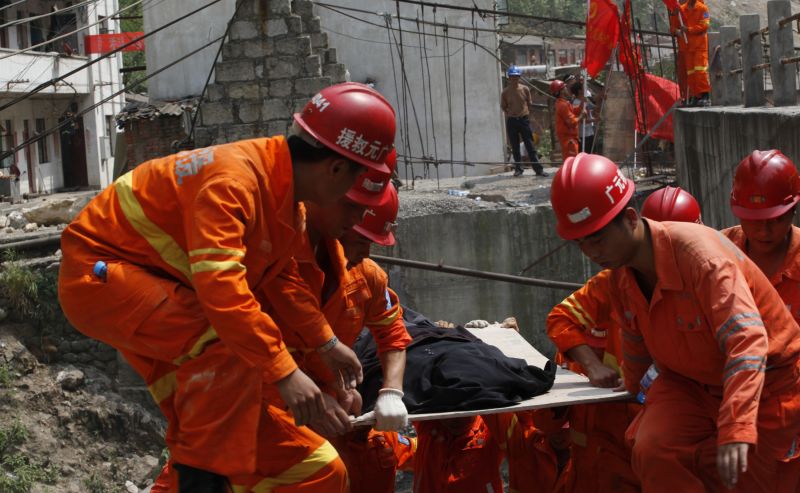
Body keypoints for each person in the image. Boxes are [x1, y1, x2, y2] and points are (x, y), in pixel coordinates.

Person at [58, 82, 396, 491]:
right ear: (336, 168)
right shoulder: (234, 183)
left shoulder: (283, 200)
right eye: (354, 194)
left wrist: (325, 344)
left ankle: (198, 475)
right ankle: (205, 482)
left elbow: (280, 276)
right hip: (100, 276)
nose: (353, 205)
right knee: (224, 344)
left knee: (220, 392)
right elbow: (224, 293)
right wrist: (286, 373)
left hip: (158, 292)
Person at [548, 153, 800, 492]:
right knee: (653, 447)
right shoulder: (620, 279)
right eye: (581, 243)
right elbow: (635, 341)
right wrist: (632, 390)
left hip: (766, 385)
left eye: (598, 238)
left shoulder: (702, 260)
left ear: (631, 219)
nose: (592, 252)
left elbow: (747, 342)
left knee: (752, 479)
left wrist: (737, 426)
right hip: (688, 385)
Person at [501, 65, 548, 177]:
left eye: (516, 77)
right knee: (515, 146)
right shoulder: (505, 92)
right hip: (512, 121)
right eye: (512, 77)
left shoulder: (525, 89)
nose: (514, 79)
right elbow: (503, 107)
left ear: (519, 77)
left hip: (524, 119)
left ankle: (538, 169)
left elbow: (529, 103)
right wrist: (510, 113)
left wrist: (525, 114)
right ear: (509, 78)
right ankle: (518, 169)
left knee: (530, 145)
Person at [670, 0, 711, 106]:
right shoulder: (681, 9)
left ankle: (704, 95)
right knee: (691, 73)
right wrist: (677, 30)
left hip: (699, 46)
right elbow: (673, 27)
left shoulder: (703, 8)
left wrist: (689, 30)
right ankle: (695, 97)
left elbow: (704, 25)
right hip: (687, 48)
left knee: (700, 71)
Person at [551, 79, 583, 161]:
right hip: (569, 139)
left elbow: (572, 112)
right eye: (564, 88)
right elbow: (571, 122)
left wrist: (581, 106)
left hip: (570, 137)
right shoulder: (563, 105)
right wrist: (582, 116)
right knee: (571, 162)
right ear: (561, 91)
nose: (566, 89)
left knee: (571, 161)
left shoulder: (564, 103)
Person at [570, 79, 597, 154]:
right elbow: (581, 120)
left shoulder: (585, 100)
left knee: (592, 153)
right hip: (583, 134)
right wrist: (594, 120)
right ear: (579, 91)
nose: (585, 89)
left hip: (590, 132)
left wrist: (601, 97)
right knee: (586, 154)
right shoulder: (576, 103)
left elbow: (594, 107)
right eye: (583, 88)